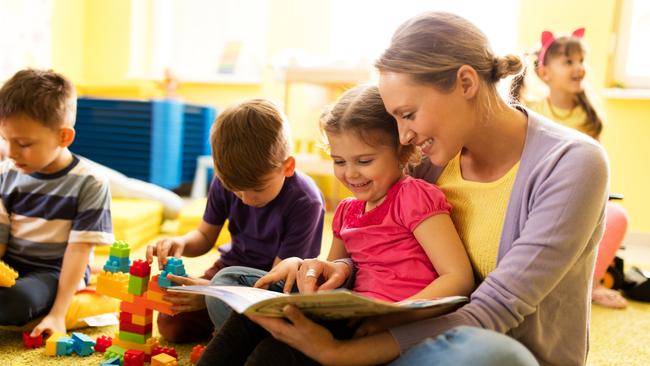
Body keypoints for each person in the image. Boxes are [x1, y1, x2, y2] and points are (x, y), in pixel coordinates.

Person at [247, 12, 608, 366]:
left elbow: (494, 310)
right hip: (399, 326)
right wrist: (337, 266)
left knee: (493, 355)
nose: (403, 137)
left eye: (408, 114)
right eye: (395, 119)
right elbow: (386, 253)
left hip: (480, 344)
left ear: (466, 83)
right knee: (246, 284)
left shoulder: (573, 163)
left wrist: (339, 353)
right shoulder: (428, 155)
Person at [197, 84, 474, 365]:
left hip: (397, 326)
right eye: (339, 161)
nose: (351, 173)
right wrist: (307, 271)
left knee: (274, 354)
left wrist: (399, 313)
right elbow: (331, 278)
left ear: (402, 152)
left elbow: (458, 278)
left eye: (364, 161)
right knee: (256, 310)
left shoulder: (413, 197)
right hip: (350, 317)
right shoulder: (347, 212)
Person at [146, 98, 325, 343]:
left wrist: (213, 294)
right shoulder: (225, 182)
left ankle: (227, 326)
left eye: (256, 190)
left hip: (274, 283)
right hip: (228, 271)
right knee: (172, 325)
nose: (246, 199)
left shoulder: (306, 201)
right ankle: (223, 322)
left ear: (287, 167)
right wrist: (182, 243)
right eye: (236, 191)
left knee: (265, 335)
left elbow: (277, 281)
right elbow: (205, 236)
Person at [511, 28, 629, 309]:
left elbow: (596, 168)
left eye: (580, 61)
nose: (578, 68)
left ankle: (592, 283)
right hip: (542, 195)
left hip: (582, 196)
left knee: (617, 217)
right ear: (545, 73)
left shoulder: (589, 117)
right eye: (568, 62)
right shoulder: (532, 111)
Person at [0, 69, 114, 337]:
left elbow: (78, 252)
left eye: (24, 143)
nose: (12, 153)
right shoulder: (6, 173)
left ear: (63, 137)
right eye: (5, 140)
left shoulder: (91, 183)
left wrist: (58, 314)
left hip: (54, 269)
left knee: (19, 302)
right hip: (13, 261)